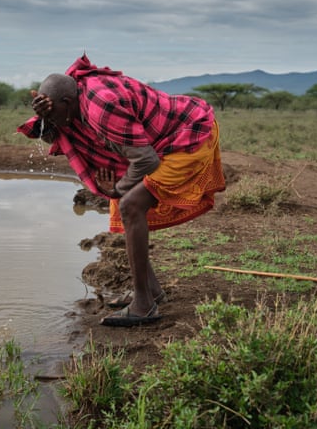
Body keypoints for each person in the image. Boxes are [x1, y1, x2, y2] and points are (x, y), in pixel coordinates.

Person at [18, 53, 226, 327]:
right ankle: (151, 292)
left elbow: (146, 160)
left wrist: (118, 189)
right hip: (164, 141)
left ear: (67, 103)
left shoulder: (101, 107)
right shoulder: (78, 97)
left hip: (189, 135)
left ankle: (143, 305)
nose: (55, 120)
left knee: (129, 205)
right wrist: (44, 116)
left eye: (54, 112)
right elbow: (56, 131)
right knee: (122, 206)